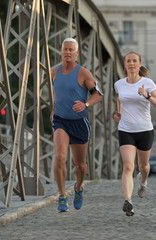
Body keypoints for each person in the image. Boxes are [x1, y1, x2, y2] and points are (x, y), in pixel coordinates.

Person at [50, 38, 103, 212]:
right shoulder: (54, 72)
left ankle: (79, 187)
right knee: (59, 156)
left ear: (76, 53)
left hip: (79, 122)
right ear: (61, 51)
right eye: (65, 49)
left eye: (71, 50)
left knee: (80, 165)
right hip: (61, 121)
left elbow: (99, 95)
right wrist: (53, 110)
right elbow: (56, 94)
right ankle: (62, 196)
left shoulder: (83, 73)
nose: (67, 52)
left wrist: (86, 104)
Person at [113, 51, 156, 216]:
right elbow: (120, 99)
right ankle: (128, 202)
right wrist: (118, 113)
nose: (132, 63)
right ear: (125, 64)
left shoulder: (147, 83)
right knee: (128, 166)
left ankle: (143, 182)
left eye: (135, 61)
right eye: (129, 61)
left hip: (145, 130)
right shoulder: (119, 84)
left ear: (140, 64)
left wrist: (146, 95)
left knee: (144, 166)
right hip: (126, 130)